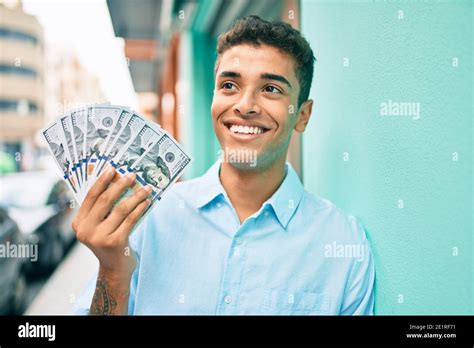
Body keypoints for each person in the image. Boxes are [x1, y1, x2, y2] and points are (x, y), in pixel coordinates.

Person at [73, 15, 375, 315]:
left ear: (303, 116)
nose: (245, 106)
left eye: (271, 89)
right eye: (230, 85)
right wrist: (112, 272)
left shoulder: (344, 244)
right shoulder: (146, 219)